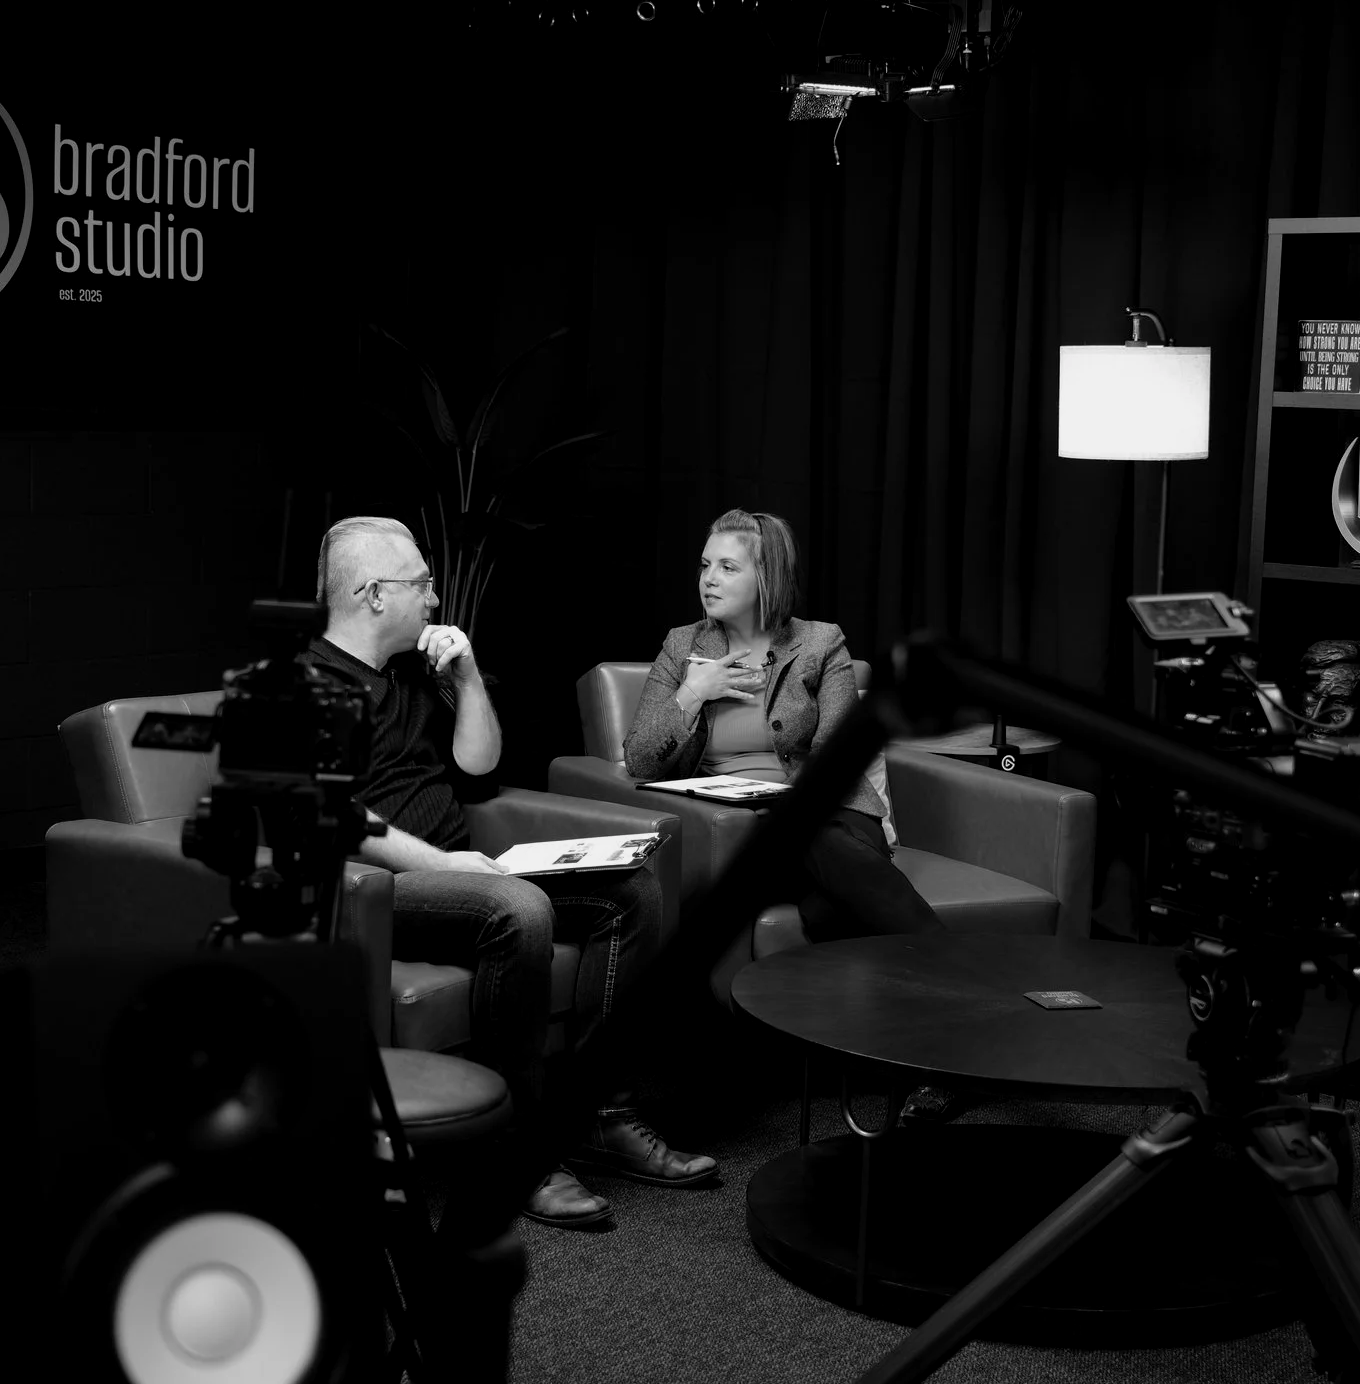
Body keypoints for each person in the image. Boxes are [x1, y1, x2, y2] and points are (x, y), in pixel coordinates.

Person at [300, 516, 718, 1229]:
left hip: (471, 872)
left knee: (633, 888)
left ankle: (601, 1115)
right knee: (518, 909)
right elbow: (334, 816)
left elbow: (480, 763)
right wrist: (445, 861)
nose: (435, 599)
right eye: (421, 584)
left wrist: (463, 673)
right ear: (373, 594)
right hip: (384, 888)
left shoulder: (415, 671)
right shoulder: (308, 684)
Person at [623, 508, 947, 946]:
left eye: (727, 567)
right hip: (735, 826)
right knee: (826, 891)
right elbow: (641, 759)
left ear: (767, 577)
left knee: (815, 844)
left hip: (835, 813)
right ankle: (948, 958)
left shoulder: (820, 643)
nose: (709, 578)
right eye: (705, 565)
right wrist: (693, 693)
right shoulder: (682, 645)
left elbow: (840, 756)